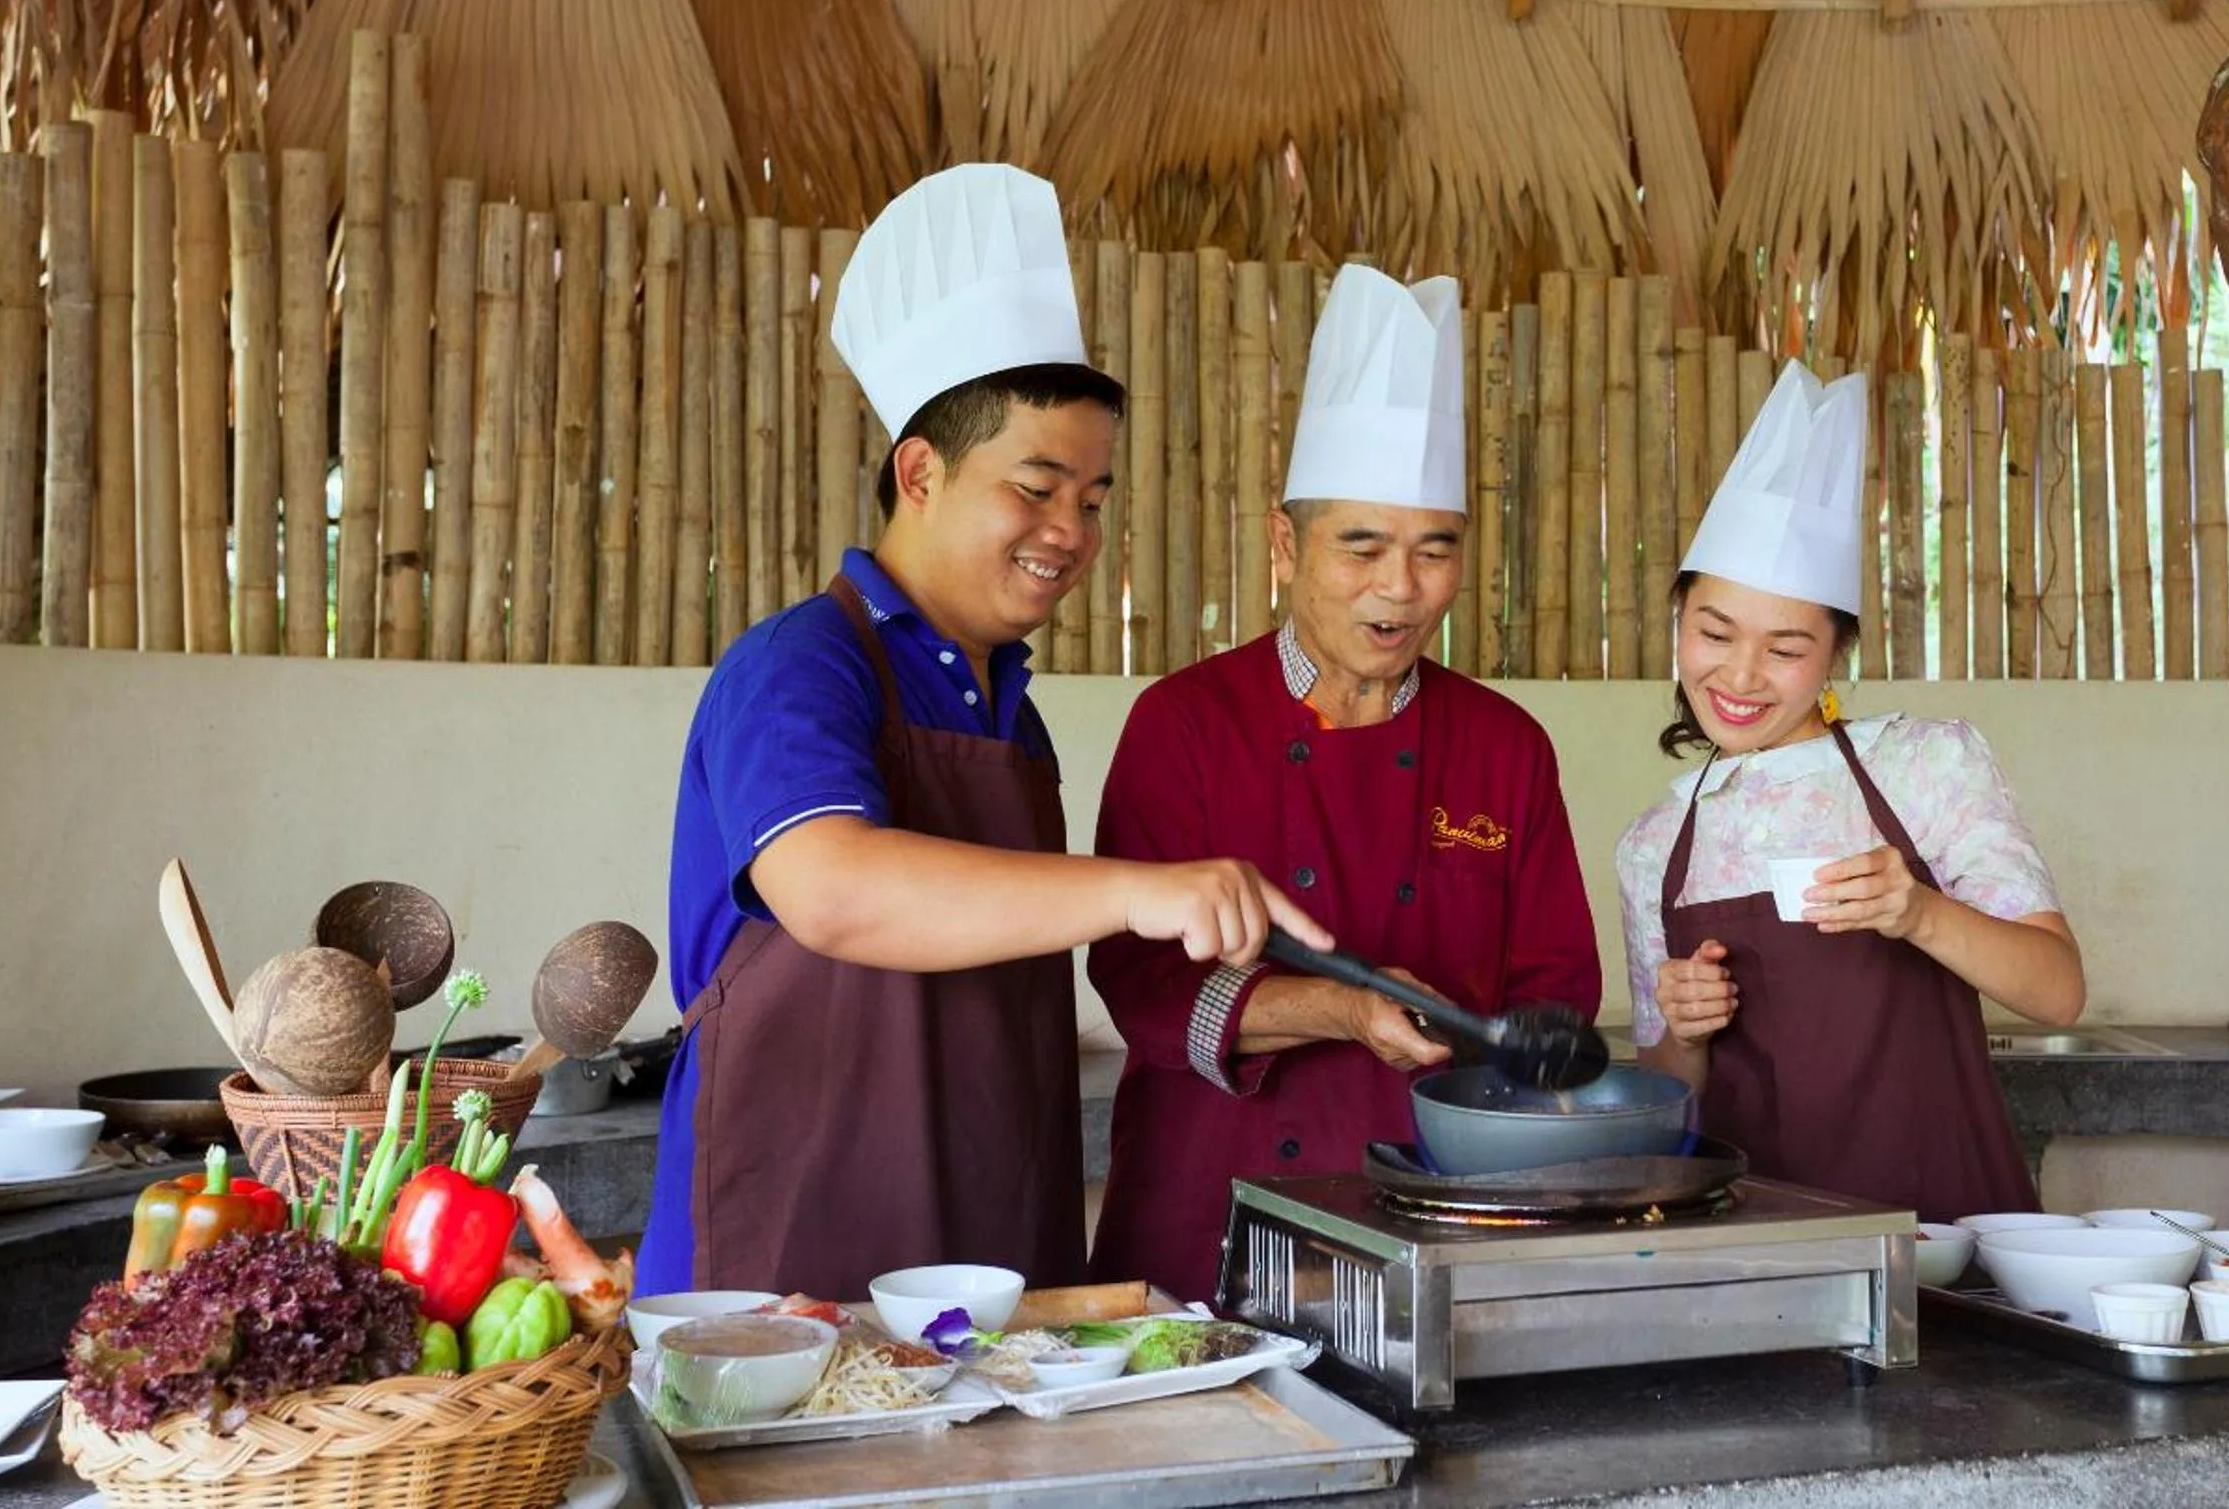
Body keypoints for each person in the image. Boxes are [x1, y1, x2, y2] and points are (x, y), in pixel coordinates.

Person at [639, 165, 1329, 1301]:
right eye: (1038, 486)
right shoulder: (801, 663)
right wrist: (1137, 889)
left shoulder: (1014, 709)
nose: (1070, 530)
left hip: (984, 1230)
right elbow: (832, 889)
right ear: (920, 471)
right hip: (791, 1247)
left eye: (1094, 498)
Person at [1086, 265, 1602, 1303]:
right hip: (1210, 1218)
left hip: (1435, 1219)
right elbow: (1139, 989)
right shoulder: (1185, 724)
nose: (1399, 588)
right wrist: (1341, 1011)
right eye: (1360, 546)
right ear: (1286, 545)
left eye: (1432, 552)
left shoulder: (1506, 747)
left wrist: (1506, 1048)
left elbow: (1559, 992)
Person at [1616, 362, 2084, 1220]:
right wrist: (1683, 1034)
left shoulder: (1926, 765)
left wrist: (1918, 914)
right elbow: (1667, 1098)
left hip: (1938, 1232)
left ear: (1836, 656)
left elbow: (2056, 991)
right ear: (1677, 620)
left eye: (1786, 649)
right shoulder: (1656, 843)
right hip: (1750, 1244)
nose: (1741, 675)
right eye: (1713, 633)